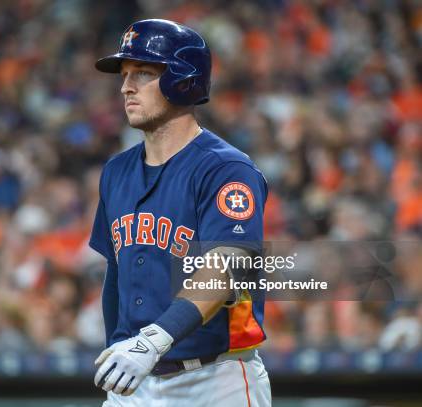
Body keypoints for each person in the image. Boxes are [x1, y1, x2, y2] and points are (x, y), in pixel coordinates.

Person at [89, 19, 271, 406]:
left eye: (143, 72)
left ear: (182, 80)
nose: (126, 87)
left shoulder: (226, 169)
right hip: (136, 382)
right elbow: (116, 271)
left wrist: (155, 339)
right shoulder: (116, 172)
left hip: (214, 381)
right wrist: (118, 348)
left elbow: (227, 263)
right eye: (124, 74)